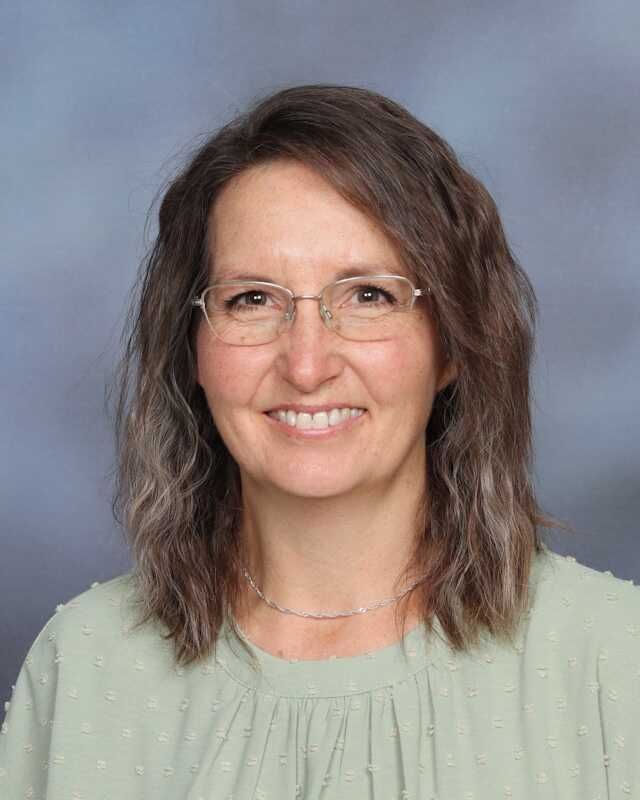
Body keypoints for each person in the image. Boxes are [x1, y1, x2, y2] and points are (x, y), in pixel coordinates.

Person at [1, 83, 638, 799]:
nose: (307, 364)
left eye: (369, 295)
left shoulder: (614, 662)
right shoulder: (85, 669)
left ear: (453, 343)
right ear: (192, 350)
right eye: (253, 299)